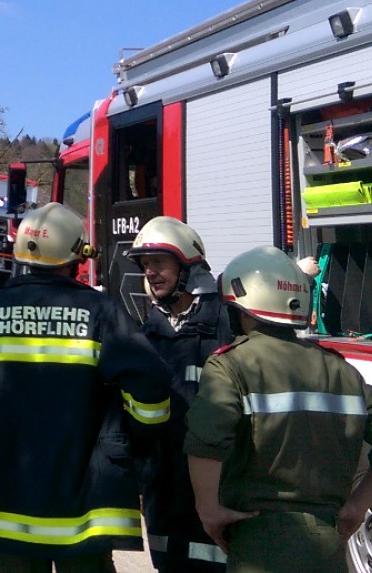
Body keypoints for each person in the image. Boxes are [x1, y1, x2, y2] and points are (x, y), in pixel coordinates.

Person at [0, 202, 174, 573]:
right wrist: (135, 437)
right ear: (76, 255)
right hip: (83, 508)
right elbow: (150, 384)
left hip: (5, 505)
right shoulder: (100, 312)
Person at [184, 246, 372, 572]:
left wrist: (209, 511)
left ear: (243, 308)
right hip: (327, 543)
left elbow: (207, 438)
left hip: (257, 540)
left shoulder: (230, 365)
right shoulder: (342, 371)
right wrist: (356, 506)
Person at [126, 216, 233, 572]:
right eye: (145, 265)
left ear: (188, 265)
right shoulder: (148, 333)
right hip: (163, 490)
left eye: (159, 262)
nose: (151, 272)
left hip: (218, 488)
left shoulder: (226, 326)